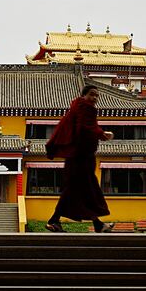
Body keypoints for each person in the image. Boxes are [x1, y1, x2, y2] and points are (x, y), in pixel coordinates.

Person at [44, 85, 114, 233]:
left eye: (97, 96)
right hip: (81, 156)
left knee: (80, 189)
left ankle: (96, 224)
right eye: (92, 95)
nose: (94, 98)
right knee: (83, 188)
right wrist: (102, 134)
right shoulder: (87, 108)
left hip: (74, 156)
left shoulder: (75, 108)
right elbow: (85, 127)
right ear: (83, 95)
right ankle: (54, 220)